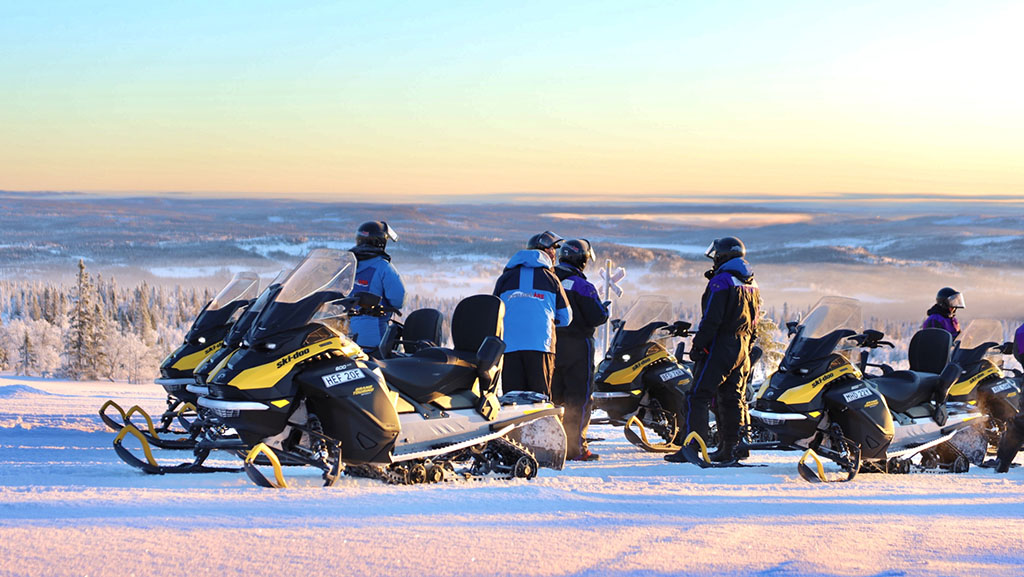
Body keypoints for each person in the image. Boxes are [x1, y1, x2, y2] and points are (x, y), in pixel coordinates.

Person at [666, 236, 761, 464]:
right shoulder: (751, 283)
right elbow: (755, 321)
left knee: (697, 396)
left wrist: (699, 346)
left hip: (720, 346)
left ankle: (691, 447)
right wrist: (747, 347)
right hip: (742, 347)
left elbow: (711, 319)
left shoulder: (721, 282)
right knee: (732, 397)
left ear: (722, 256)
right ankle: (733, 447)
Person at [494, 231, 572, 398]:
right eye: (553, 249)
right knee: (539, 400)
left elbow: (494, 313)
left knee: (512, 400)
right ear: (545, 251)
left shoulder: (505, 278)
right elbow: (566, 317)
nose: (555, 253)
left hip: (510, 347)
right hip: (541, 346)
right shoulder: (551, 279)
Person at [552, 239, 610, 461]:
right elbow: (597, 316)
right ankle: (575, 448)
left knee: (553, 395)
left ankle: (551, 444)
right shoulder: (581, 285)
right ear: (582, 260)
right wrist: (604, 310)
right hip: (578, 346)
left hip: (551, 345)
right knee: (579, 397)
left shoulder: (549, 279)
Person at [348, 221, 406, 355]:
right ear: (381, 242)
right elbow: (399, 300)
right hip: (372, 336)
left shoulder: (348, 264)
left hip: (342, 331)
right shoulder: (383, 267)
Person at [994, 322, 1024, 473]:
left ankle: (1003, 462)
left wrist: (1013, 348)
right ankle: (1002, 462)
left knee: (1020, 424)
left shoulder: (1021, 331)